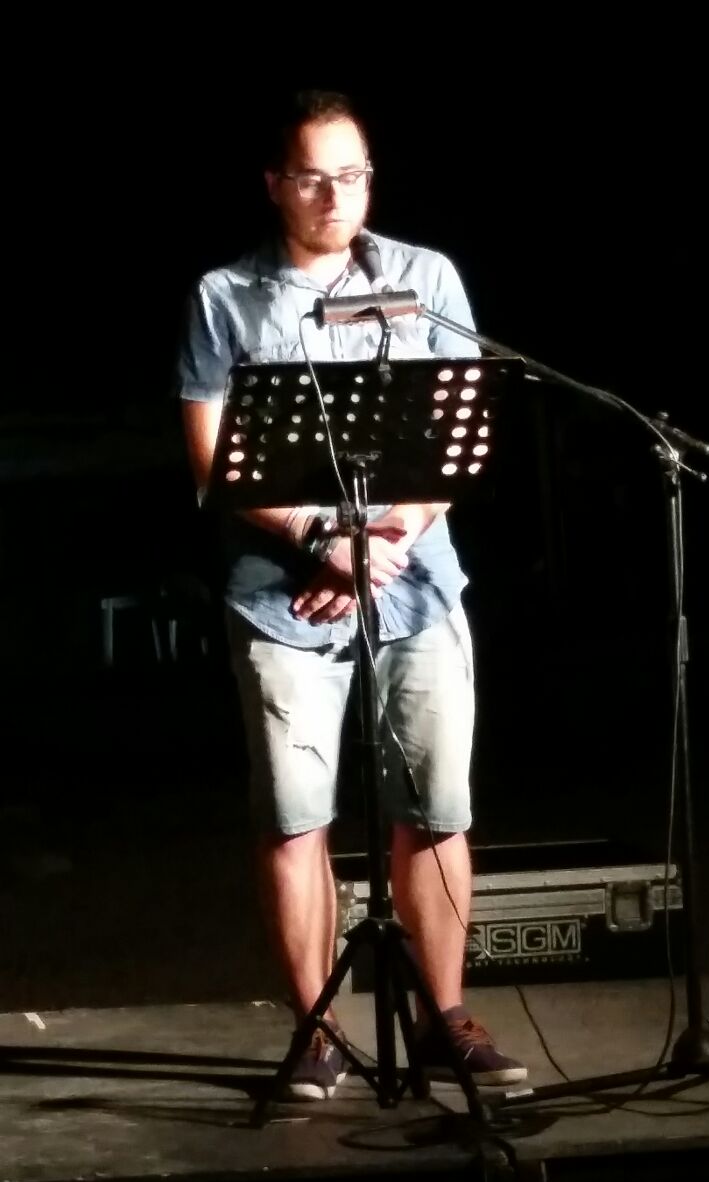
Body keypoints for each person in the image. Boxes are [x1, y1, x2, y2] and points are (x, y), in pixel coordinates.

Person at [176, 89, 527, 1101]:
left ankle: (443, 1017)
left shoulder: (427, 277)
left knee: (437, 807)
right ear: (274, 184)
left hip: (416, 581)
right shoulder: (225, 294)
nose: (337, 196)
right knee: (297, 819)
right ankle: (317, 1030)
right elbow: (209, 451)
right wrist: (319, 540)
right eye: (313, 177)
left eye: (354, 174)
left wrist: (386, 540)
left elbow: (460, 430)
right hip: (281, 593)